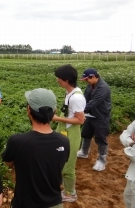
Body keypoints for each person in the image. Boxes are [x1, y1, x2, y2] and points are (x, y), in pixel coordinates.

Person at [2, 88, 70, 208]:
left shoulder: (17, 141)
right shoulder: (64, 141)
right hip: (54, 203)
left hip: (25, 203)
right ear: (55, 111)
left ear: (28, 110)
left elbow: (8, 163)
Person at [52, 64, 86, 202]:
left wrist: (55, 118)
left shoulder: (76, 98)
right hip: (64, 132)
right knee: (60, 161)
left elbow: (80, 120)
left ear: (66, 79)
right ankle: (64, 189)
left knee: (68, 166)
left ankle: (70, 194)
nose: (57, 80)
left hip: (71, 135)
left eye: (58, 78)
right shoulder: (69, 93)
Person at [77, 68, 112, 171]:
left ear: (93, 77)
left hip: (101, 116)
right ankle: (84, 152)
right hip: (90, 115)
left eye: (87, 79)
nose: (86, 82)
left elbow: (94, 102)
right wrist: (80, 106)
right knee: (86, 133)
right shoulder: (90, 85)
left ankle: (102, 160)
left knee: (101, 138)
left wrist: (81, 111)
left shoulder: (103, 87)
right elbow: (85, 98)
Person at [120, 91, 135, 208]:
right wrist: (131, 142)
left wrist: (129, 148)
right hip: (133, 172)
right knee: (128, 197)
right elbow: (124, 135)